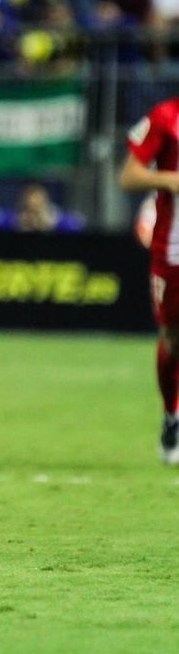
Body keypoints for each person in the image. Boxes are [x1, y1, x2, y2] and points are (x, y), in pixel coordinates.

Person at [119, 97, 179, 465]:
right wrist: (168, 179)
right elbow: (128, 176)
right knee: (172, 340)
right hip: (173, 250)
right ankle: (171, 415)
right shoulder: (166, 117)